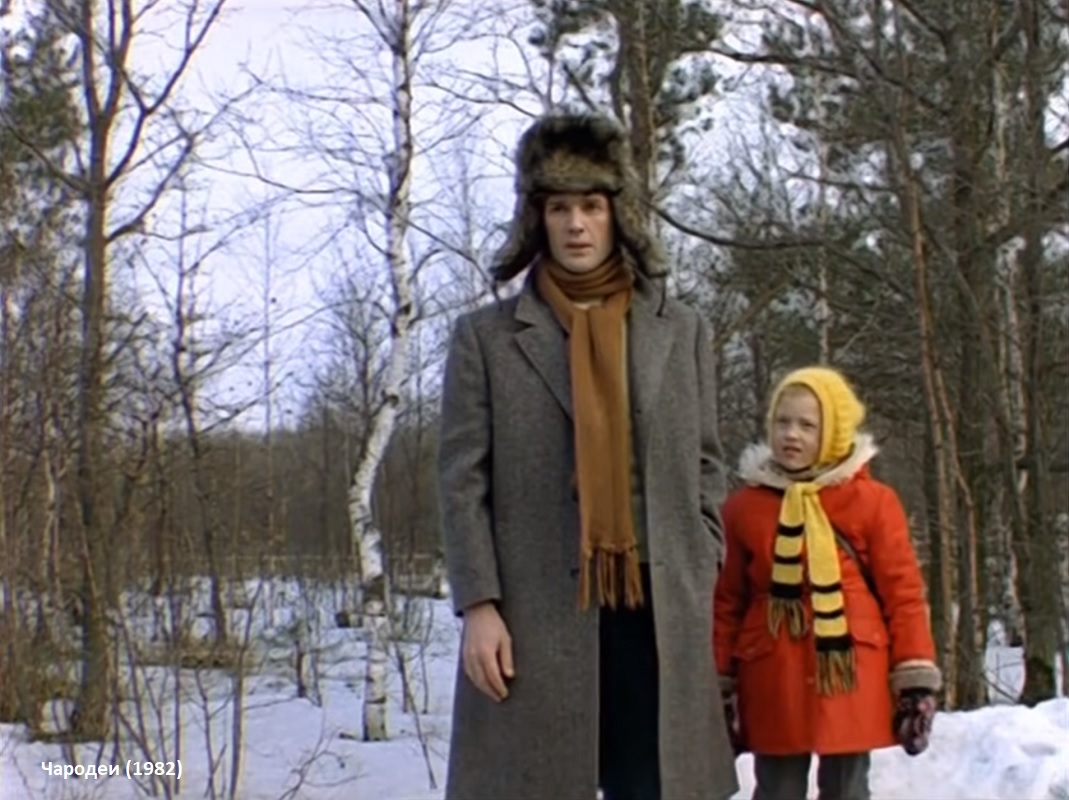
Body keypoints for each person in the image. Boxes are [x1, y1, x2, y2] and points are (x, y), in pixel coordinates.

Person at [436, 111, 739, 800]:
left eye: (592, 206)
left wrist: (703, 553)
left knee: (652, 786)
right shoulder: (486, 338)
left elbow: (705, 459)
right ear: (536, 219)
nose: (576, 225)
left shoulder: (680, 330)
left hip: (660, 608)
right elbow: (461, 482)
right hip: (536, 610)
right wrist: (479, 605)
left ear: (617, 215)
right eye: (559, 207)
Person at [713, 366, 942, 800]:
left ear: (833, 432)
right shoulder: (743, 508)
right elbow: (726, 601)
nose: (791, 435)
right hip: (772, 671)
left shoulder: (873, 502)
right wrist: (720, 678)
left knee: (847, 788)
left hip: (851, 669)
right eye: (782, 422)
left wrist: (914, 677)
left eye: (807, 425)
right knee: (776, 789)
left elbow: (903, 594)